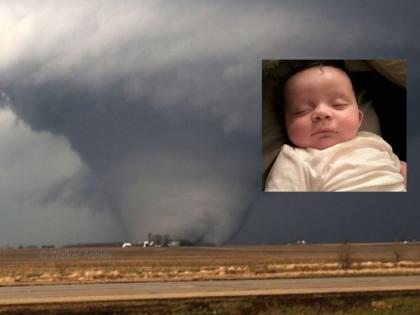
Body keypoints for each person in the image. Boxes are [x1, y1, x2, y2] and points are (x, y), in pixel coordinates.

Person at [265, 63, 407, 192]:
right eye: (302, 110)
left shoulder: (374, 140)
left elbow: (399, 170)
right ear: (285, 123)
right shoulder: (294, 160)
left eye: (338, 104)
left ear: (359, 118)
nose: (322, 113)